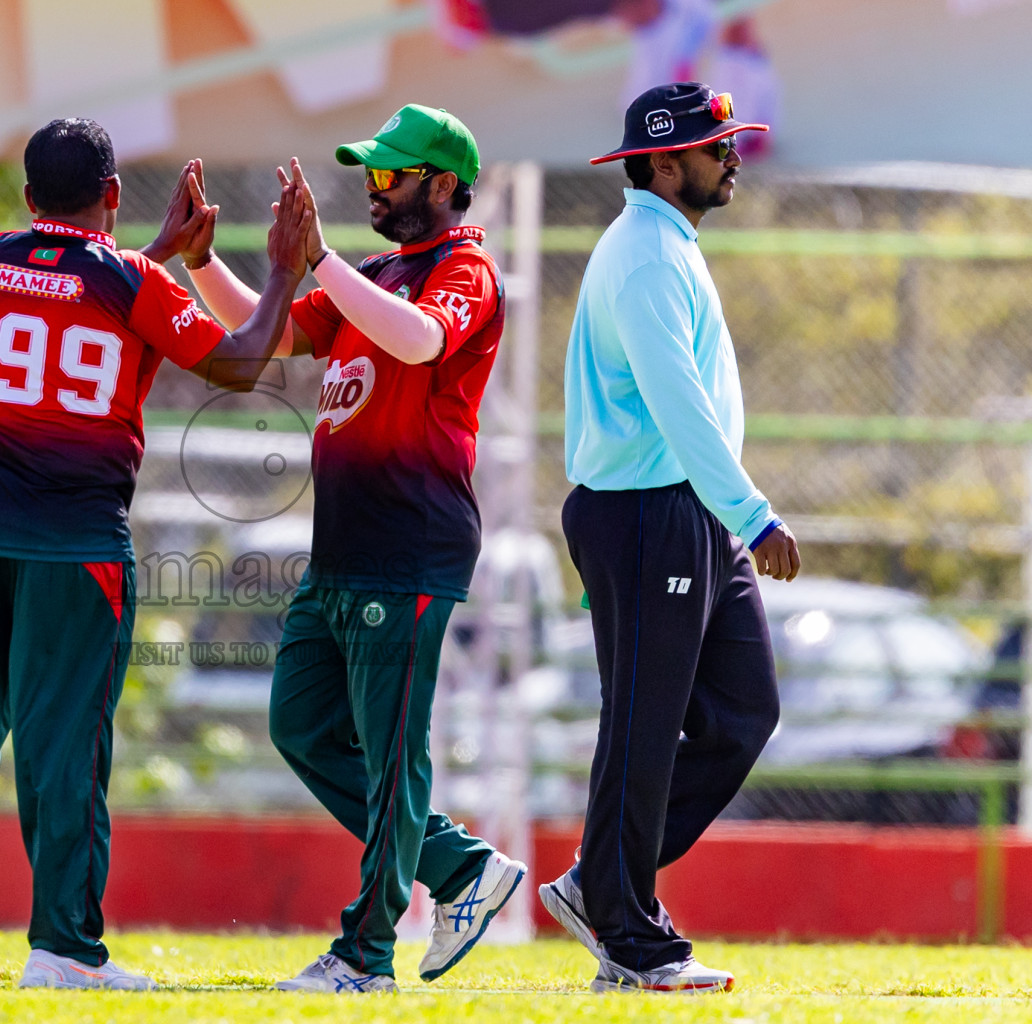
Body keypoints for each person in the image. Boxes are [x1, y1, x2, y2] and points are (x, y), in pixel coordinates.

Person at [0, 118, 310, 989]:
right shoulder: (128, 281)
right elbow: (237, 363)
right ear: (112, 195)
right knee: (65, 747)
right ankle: (63, 948)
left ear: (28, 196)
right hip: (76, 550)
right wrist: (277, 267)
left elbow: (77, 283)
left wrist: (157, 251)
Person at [152, 104, 523, 993]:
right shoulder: (378, 269)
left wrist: (316, 260)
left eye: (391, 175)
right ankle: (462, 868)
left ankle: (366, 954)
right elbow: (273, 336)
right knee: (301, 723)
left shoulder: (464, 268)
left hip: (410, 543)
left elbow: (423, 338)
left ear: (443, 184)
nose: (374, 188)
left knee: (393, 750)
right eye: (371, 173)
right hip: (341, 550)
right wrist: (205, 264)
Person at [538, 82, 801, 993]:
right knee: (644, 727)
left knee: (742, 713)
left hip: (686, 515)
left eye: (728, 142)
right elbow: (676, 407)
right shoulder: (647, 255)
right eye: (712, 146)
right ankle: (631, 935)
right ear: (662, 162)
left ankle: (602, 881)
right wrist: (753, 513)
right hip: (651, 511)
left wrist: (729, 516)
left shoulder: (667, 246)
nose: (730, 158)